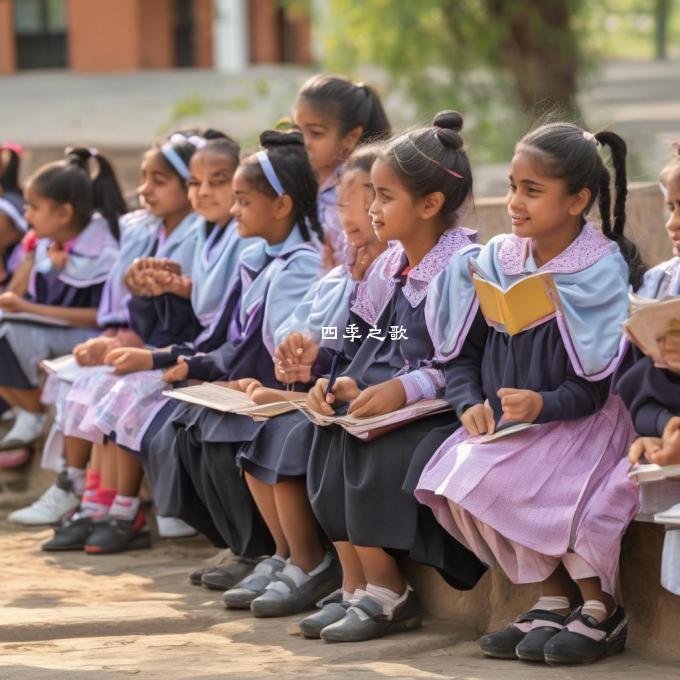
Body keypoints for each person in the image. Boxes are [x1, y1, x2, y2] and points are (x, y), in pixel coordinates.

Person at [416, 123, 645, 665]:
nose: (515, 203)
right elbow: (462, 354)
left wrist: (543, 405)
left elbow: (595, 387)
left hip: (582, 419)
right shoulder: (496, 260)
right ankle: (553, 596)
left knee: (536, 480)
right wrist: (469, 401)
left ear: (578, 200)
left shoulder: (599, 271)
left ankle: (599, 605)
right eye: (513, 186)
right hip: (513, 420)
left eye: (533, 191)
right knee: (459, 470)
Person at [294, 112, 486, 641]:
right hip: (390, 399)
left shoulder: (461, 268)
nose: (372, 210)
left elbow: (465, 361)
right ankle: (354, 583)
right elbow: (369, 339)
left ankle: (388, 590)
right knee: (324, 431)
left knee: (372, 449)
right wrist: (342, 379)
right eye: (371, 196)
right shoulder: (390, 263)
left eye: (383, 197)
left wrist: (405, 386)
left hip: (443, 410)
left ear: (430, 205)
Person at [220, 143, 389, 614]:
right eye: (342, 206)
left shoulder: (394, 267)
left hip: (384, 392)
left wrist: (324, 356)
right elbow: (352, 335)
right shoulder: (350, 268)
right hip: (338, 383)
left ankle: (317, 565)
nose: (346, 218)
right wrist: (311, 352)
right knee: (264, 438)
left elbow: (390, 337)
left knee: (296, 439)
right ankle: (288, 555)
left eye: (354, 204)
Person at [8, 132, 203, 525]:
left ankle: (120, 508)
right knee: (87, 381)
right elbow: (127, 309)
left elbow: (201, 315)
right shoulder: (141, 229)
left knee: (115, 388)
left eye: (158, 181)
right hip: (142, 341)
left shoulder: (201, 234)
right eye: (144, 178)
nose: (144, 190)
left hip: (182, 351)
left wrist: (132, 334)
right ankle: (86, 494)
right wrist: (115, 337)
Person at [0, 148, 125, 467]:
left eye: (33, 207)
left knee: (7, 334)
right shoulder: (47, 244)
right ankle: (27, 412)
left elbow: (101, 316)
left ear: (64, 213)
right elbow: (12, 297)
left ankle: (32, 413)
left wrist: (32, 308)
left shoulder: (104, 252)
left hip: (94, 337)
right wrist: (32, 258)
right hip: (57, 330)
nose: (25, 215)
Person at [618, 139, 680, 597]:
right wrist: (661, 428)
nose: (673, 224)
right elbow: (639, 389)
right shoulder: (663, 285)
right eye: (672, 207)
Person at [293, 74, 390, 268]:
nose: (304, 142)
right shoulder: (304, 181)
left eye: (316, 133)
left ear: (351, 136)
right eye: (297, 130)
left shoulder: (359, 191)